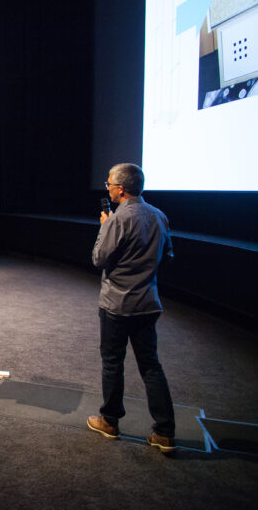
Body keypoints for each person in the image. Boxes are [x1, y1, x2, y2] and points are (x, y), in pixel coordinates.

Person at [87, 163, 176, 453]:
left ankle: (110, 422)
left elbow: (98, 259)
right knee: (151, 365)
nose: (107, 187)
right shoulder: (159, 215)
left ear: (121, 189)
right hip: (147, 302)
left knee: (113, 362)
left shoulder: (117, 220)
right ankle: (164, 432)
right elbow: (168, 255)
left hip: (117, 304)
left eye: (110, 183)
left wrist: (105, 228)